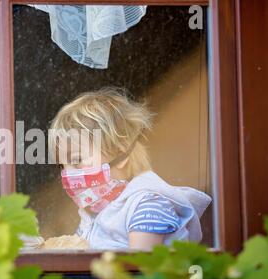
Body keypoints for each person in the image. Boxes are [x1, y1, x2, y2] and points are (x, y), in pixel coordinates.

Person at [49, 87, 211, 250]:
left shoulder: (147, 205)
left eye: (77, 160)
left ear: (122, 155)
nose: (68, 174)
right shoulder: (94, 215)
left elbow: (138, 269)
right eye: (63, 165)